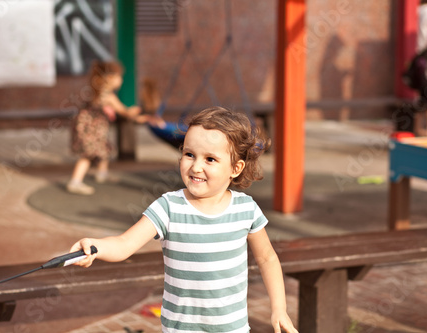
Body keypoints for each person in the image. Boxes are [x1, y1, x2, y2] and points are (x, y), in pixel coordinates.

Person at [70, 107, 298, 332]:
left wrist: (279, 308)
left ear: (235, 168)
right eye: (189, 154)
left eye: (210, 159)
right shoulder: (169, 207)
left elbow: (267, 258)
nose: (196, 166)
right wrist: (95, 246)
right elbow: (124, 244)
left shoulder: (246, 209)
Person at [67, 60, 141, 195]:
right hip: (92, 130)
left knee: (104, 148)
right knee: (87, 155)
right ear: (110, 78)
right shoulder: (108, 96)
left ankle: (102, 173)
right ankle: (75, 182)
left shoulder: (96, 91)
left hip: (90, 128)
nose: (121, 80)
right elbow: (124, 112)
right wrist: (135, 111)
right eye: (119, 77)